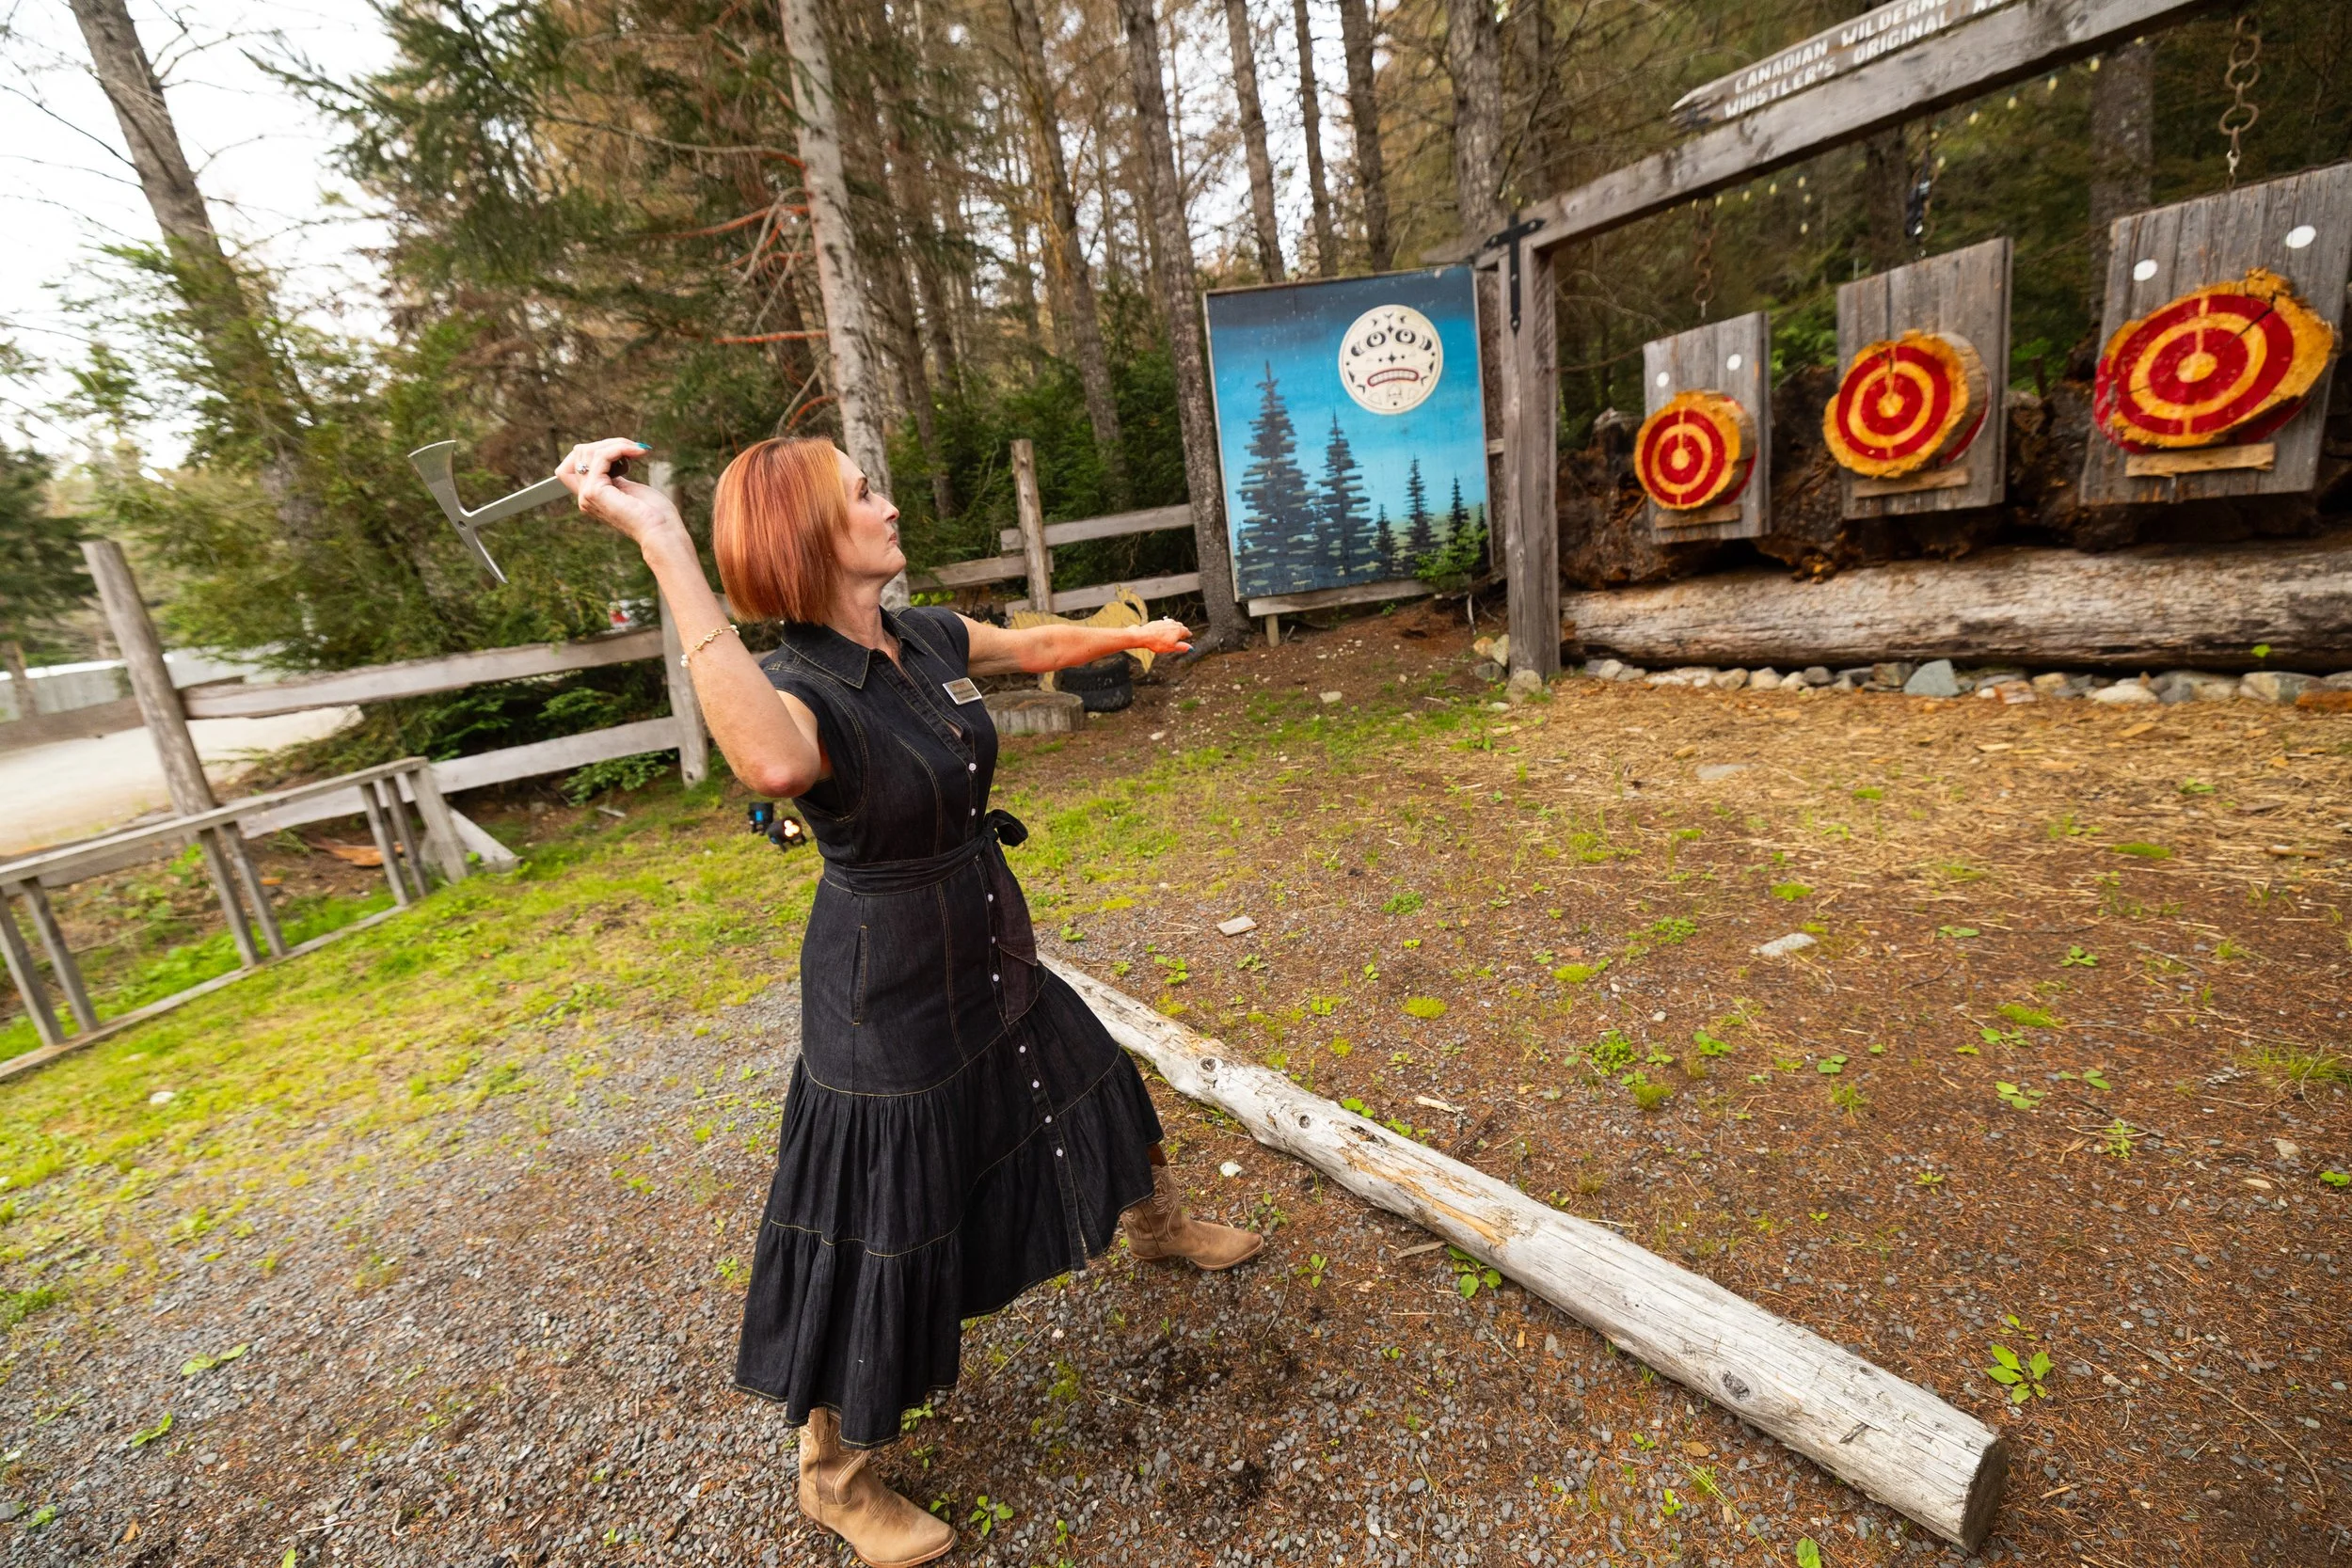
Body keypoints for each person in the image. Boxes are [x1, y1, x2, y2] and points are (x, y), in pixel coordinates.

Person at [557, 436, 1263, 1568]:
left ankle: (1155, 1225)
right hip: (881, 982)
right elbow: (771, 768)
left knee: (1088, 1072)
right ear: (808, 539)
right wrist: (663, 541)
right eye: (862, 494)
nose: (887, 505)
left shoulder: (921, 634)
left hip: (985, 931)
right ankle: (833, 1477)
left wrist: (1123, 635)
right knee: (878, 1214)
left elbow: (1028, 644)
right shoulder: (796, 687)